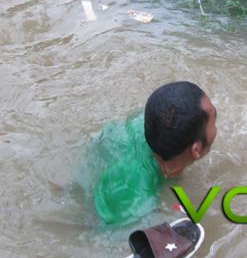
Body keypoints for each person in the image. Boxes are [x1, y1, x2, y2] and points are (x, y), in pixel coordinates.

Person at [89, 82, 218, 225]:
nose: (216, 124)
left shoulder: (155, 120)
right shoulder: (135, 198)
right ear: (196, 150)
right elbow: (103, 236)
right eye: (214, 119)